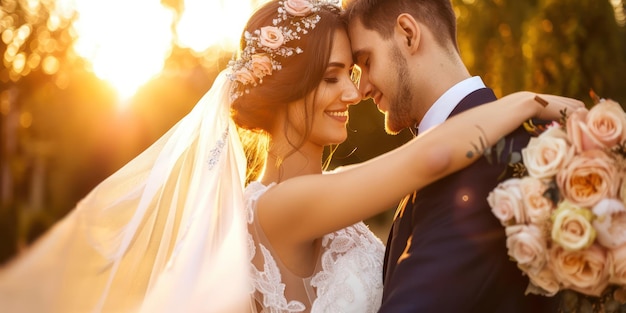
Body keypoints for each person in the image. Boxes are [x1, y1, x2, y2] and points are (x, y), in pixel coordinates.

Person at [0, 0, 582, 312]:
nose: (353, 93)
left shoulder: (342, 201)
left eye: (352, 72)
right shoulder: (277, 206)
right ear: (287, 93)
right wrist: (528, 101)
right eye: (333, 78)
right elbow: (428, 160)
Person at [342, 0, 564, 311]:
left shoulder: (483, 164)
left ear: (408, 33)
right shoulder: (508, 138)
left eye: (366, 62)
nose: (361, 89)